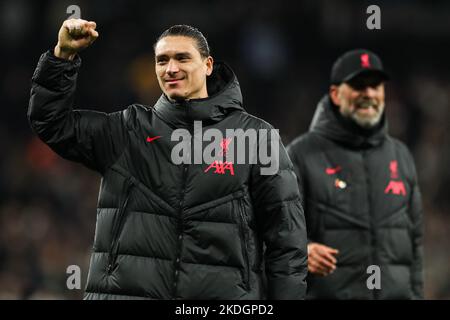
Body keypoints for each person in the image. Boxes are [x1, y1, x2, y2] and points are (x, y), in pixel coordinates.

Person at [28, 19, 308, 299]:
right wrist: (62, 57)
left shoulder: (258, 138)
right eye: (162, 60)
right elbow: (51, 123)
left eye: (182, 58)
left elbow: (287, 243)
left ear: (208, 65)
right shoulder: (128, 131)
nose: (171, 68)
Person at [287, 49, 424, 299]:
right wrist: (301, 252)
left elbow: (414, 246)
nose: (368, 94)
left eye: (375, 86)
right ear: (335, 95)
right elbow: (271, 233)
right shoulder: (301, 155)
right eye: (358, 86)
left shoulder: (401, 156)